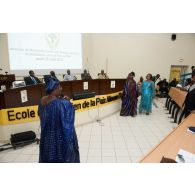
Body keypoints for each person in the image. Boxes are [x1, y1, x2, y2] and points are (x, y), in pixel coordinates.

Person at [38, 78, 80, 163]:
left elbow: (40, 114)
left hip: (46, 137)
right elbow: (68, 121)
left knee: (48, 156)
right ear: (55, 88)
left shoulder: (42, 100)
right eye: (59, 86)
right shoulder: (63, 103)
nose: (61, 88)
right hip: (60, 138)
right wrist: (67, 102)